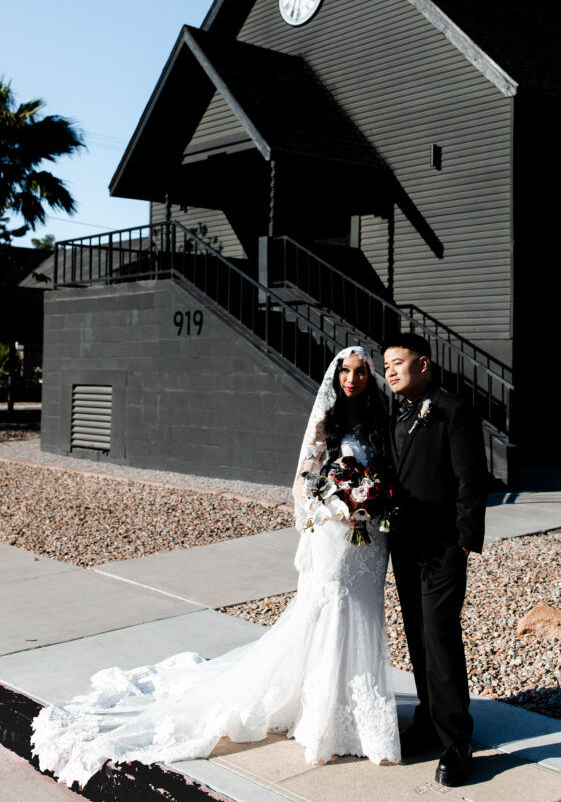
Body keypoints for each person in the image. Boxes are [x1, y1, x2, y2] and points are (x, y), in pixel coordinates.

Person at [32, 346, 400, 787]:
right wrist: (338, 503)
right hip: (335, 533)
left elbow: (386, 470)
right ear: (336, 375)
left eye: (361, 372)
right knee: (332, 613)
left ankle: (360, 711)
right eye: (347, 372)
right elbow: (305, 480)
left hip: (370, 538)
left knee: (363, 614)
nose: (353, 380)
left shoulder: (380, 418)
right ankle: (324, 719)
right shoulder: (328, 419)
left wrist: (371, 501)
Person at [383, 333, 488, 788]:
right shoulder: (398, 416)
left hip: (442, 546)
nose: (389, 370)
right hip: (405, 546)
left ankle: (457, 740)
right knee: (417, 635)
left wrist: (464, 541)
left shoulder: (453, 409)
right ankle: (428, 720)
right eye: (385, 364)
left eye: (397, 362)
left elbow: (471, 479)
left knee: (440, 636)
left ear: (423, 364)